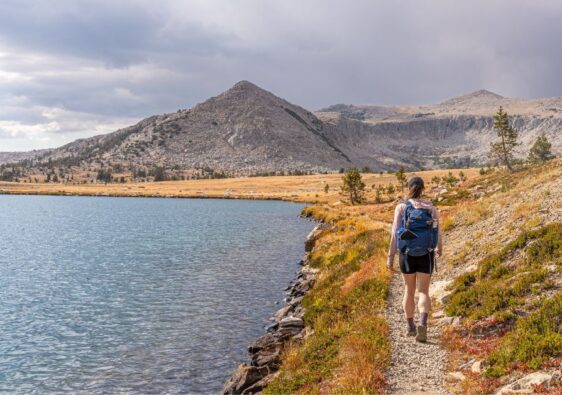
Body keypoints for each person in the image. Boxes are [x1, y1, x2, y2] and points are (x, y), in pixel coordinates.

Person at [387, 176, 442, 342]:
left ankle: (410, 327)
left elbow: (395, 234)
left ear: (408, 188)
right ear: (423, 189)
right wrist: (439, 248)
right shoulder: (431, 208)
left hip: (407, 254)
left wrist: (390, 257)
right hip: (426, 253)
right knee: (423, 291)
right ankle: (423, 324)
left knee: (408, 290)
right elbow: (438, 230)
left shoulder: (402, 207)